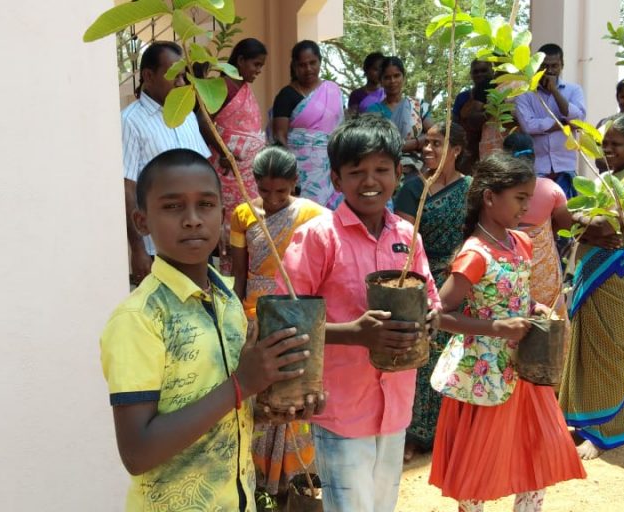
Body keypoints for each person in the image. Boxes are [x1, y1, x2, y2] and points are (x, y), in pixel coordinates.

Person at [99, 148, 321, 511]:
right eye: (172, 206)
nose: (192, 220)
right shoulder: (138, 320)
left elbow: (225, 408)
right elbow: (137, 452)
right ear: (142, 222)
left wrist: (273, 409)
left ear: (222, 213)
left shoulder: (226, 300)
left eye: (205, 205)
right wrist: (242, 385)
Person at [277, 115, 441, 512]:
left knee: (382, 505)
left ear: (399, 174)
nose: (370, 181)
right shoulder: (319, 237)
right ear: (337, 180)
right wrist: (354, 333)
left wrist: (431, 318)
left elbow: (431, 298)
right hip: (342, 406)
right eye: (357, 172)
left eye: (381, 169)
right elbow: (287, 317)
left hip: (396, 403)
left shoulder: (408, 235)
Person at [429, 153, 586, 512]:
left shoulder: (521, 242)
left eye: (529, 198)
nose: (526, 206)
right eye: (519, 198)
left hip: (526, 369)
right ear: (489, 197)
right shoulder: (474, 254)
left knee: (538, 451)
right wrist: (495, 328)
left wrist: (534, 308)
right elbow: (437, 313)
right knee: (477, 465)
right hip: (483, 374)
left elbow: (516, 293)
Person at [559, 113, 624, 460]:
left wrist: (581, 220)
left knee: (612, 349)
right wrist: (588, 222)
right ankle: (588, 423)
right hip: (594, 267)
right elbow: (592, 224)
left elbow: (606, 227)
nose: (609, 150)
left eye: (617, 144)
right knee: (587, 347)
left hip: (618, 273)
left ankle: (611, 429)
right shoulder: (606, 177)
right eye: (605, 144)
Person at [229, 146, 328, 496]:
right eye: (265, 190)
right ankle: (261, 480)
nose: (272, 200)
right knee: (260, 398)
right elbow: (239, 274)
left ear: (295, 183)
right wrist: (239, 320)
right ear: (254, 182)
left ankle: (295, 480)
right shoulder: (241, 214)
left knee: (293, 394)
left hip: (294, 315)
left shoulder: (315, 215)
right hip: (255, 317)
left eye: (281, 192)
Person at [393, 121, 470, 461]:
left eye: (438, 144)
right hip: (423, 277)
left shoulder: (471, 189)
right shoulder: (412, 188)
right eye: (426, 143)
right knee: (423, 357)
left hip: (463, 277)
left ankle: (452, 433)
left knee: (457, 356)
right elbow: (403, 241)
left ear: (456, 151)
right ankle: (415, 435)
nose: (427, 149)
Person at [122, 42, 211, 284]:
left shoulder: (187, 115)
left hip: (197, 237)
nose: (182, 83)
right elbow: (127, 187)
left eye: (184, 75)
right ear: (148, 76)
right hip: (158, 247)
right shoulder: (130, 122)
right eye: (175, 76)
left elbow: (205, 170)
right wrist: (138, 249)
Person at [198, 38, 269, 274]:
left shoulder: (243, 88)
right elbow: (204, 120)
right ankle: (229, 277)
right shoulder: (224, 86)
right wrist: (224, 151)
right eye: (256, 65)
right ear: (240, 61)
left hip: (248, 174)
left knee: (250, 222)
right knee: (231, 227)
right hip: (228, 170)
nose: (258, 71)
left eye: (261, 66)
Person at [271, 40, 345, 209]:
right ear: (295, 66)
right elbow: (279, 135)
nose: (308, 69)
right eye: (302, 65)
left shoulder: (332, 90)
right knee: (302, 212)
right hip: (299, 167)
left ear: (320, 61)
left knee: (329, 214)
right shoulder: (286, 95)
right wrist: (290, 167)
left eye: (312, 63)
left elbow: (340, 129)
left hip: (330, 164)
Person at [506, 133, 572, 314]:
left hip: (507, 272)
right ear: (534, 157)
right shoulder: (550, 188)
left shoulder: (498, 193)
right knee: (547, 321)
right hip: (545, 274)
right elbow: (568, 226)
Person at [514, 44, 587, 198]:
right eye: (545, 66)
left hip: (566, 169)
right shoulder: (525, 95)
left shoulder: (574, 90)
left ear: (562, 66)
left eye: (555, 66)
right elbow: (528, 126)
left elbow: (577, 120)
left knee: (566, 219)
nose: (550, 71)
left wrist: (554, 90)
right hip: (537, 170)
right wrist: (562, 123)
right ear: (537, 67)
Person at [366, 56, 434, 175]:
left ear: (404, 77)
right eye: (387, 77)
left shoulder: (417, 106)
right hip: (386, 169)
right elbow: (376, 145)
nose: (392, 81)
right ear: (381, 81)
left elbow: (434, 133)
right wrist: (416, 143)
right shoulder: (373, 111)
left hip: (420, 169)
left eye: (396, 76)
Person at [453, 60, 501, 162]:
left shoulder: (502, 91)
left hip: (498, 148)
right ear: (471, 74)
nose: (480, 74)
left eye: (484, 70)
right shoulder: (462, 97)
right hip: (469, 150)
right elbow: (455, 124)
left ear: (493, 71)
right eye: (476, 72)